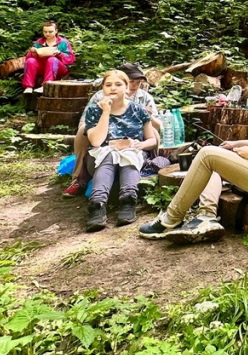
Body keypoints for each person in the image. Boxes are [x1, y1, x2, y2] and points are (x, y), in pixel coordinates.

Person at [139, 49, 248, 243]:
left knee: (208, 154)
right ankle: (206, 217)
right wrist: (238, 144)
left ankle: (170, 219)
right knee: (214, 161)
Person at [63, 62, 162, 198]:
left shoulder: (144, 97)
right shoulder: (100, 96)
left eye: (138, 82)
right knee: (82, 131)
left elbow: (157, 126)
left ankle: (151, 167)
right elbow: (84, 122)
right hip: (104, 135)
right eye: (131, 81)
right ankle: (79, 177)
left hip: (134, 137)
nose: (134, 85)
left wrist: (147, 115)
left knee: (155, 134)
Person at [82, 69, 159, 231]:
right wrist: (106, 112)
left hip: (132, 154)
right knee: (109, 155)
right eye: (108, 85)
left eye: (118, 84)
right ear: (102, 88)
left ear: (126, 87)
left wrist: (140, 145)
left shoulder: (138, 110)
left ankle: (128, 201)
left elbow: (152, 139)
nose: (113, 88)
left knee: (129, 154)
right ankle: (97, 205)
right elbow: (96, 141)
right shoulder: (94, 110)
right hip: (100, 156)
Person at [23, 20, 76, 93]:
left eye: (50, 32)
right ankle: (28, 87)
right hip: (43, 67)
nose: (47, 34)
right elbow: (28, 59)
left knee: (52, 59)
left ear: (56, 31)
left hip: (59, 67)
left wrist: (60, 54)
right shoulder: (39, 42)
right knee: (30, 61)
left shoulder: (63, 42)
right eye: (45, 32)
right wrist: (32, 52)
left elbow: (70, 58)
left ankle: (46, 85)